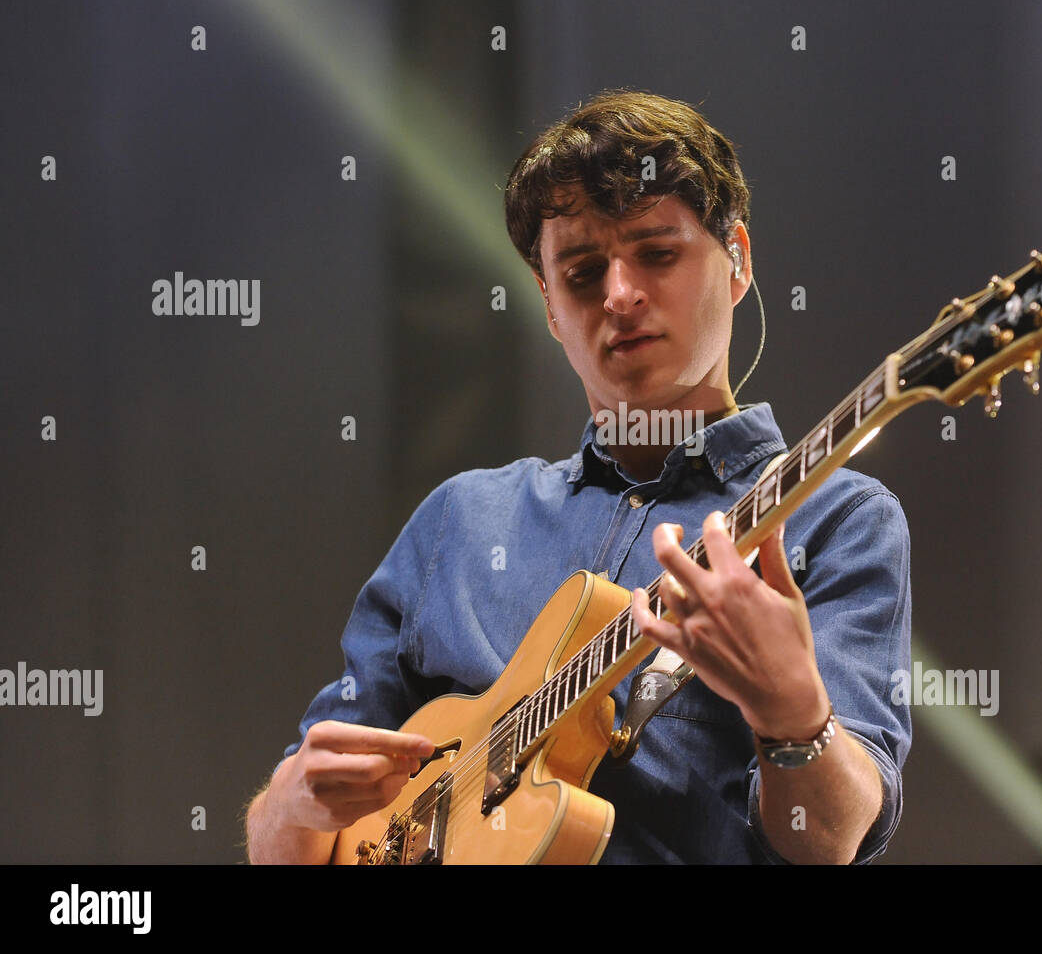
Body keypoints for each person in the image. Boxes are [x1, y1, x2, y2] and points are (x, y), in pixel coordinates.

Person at [244, 89, 912, 864]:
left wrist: (791, 709)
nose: (621, 295)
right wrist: (290, 804)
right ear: (549, 304)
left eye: (658, 253)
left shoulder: (838, 519)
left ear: (738, 263)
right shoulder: (459, 521)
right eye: (584, 271)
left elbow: (828, 841)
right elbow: (291, 842)